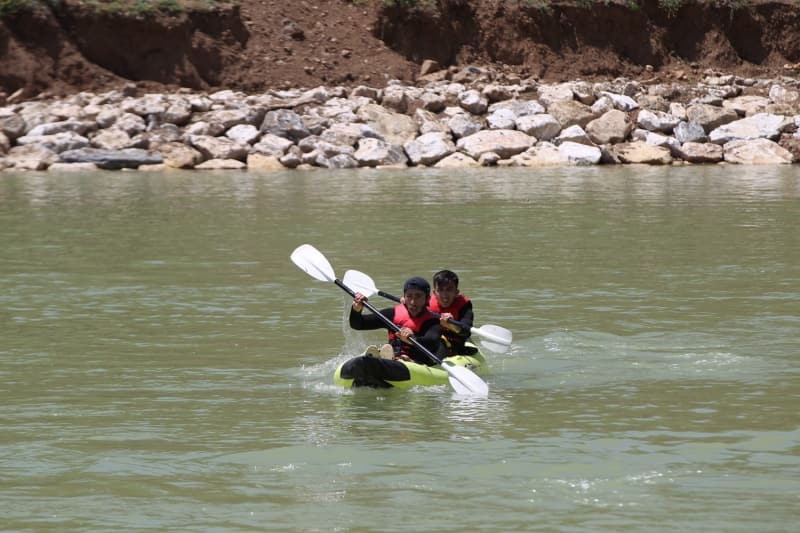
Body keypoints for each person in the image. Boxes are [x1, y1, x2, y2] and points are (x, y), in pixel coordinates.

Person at [349, 276, 444, 365]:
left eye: (418, 296)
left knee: (407, 359)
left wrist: (413, 339)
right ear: (404, 297)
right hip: (394, 359)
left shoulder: (433, 321)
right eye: (409, 296)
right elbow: (358, 324)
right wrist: (356, 310)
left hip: (419, 363)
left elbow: (432, 342)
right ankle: (381, 358)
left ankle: (394, 361)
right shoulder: (392, 314)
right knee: (383, 356)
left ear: (428, 299)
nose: (413, 302)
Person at [428, 269, 477, 356]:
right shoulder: (425, 302)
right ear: (434, 293)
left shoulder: (464, 305)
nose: (444, 295)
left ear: (456, 292)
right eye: (440, 290)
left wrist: (452, 325)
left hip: (454, 342)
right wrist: (407, 304)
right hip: (430, 339)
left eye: (449, 289)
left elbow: (466, 331)